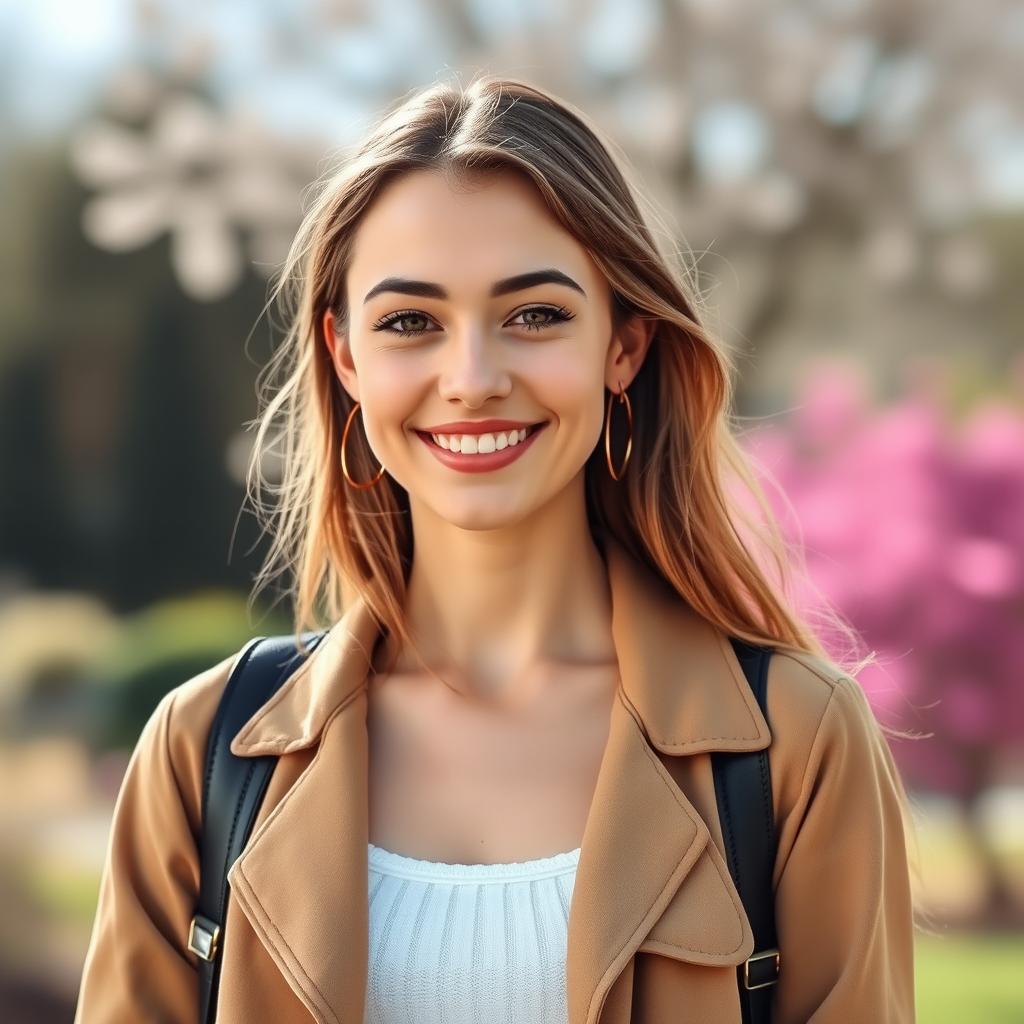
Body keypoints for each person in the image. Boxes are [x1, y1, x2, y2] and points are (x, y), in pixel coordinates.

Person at [74, 74, 920, 1023]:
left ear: (625, 346)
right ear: (346, 357)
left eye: (535, 315)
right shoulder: (203, 754)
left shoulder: (797, 745)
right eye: (409, 323)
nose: (472, 378)